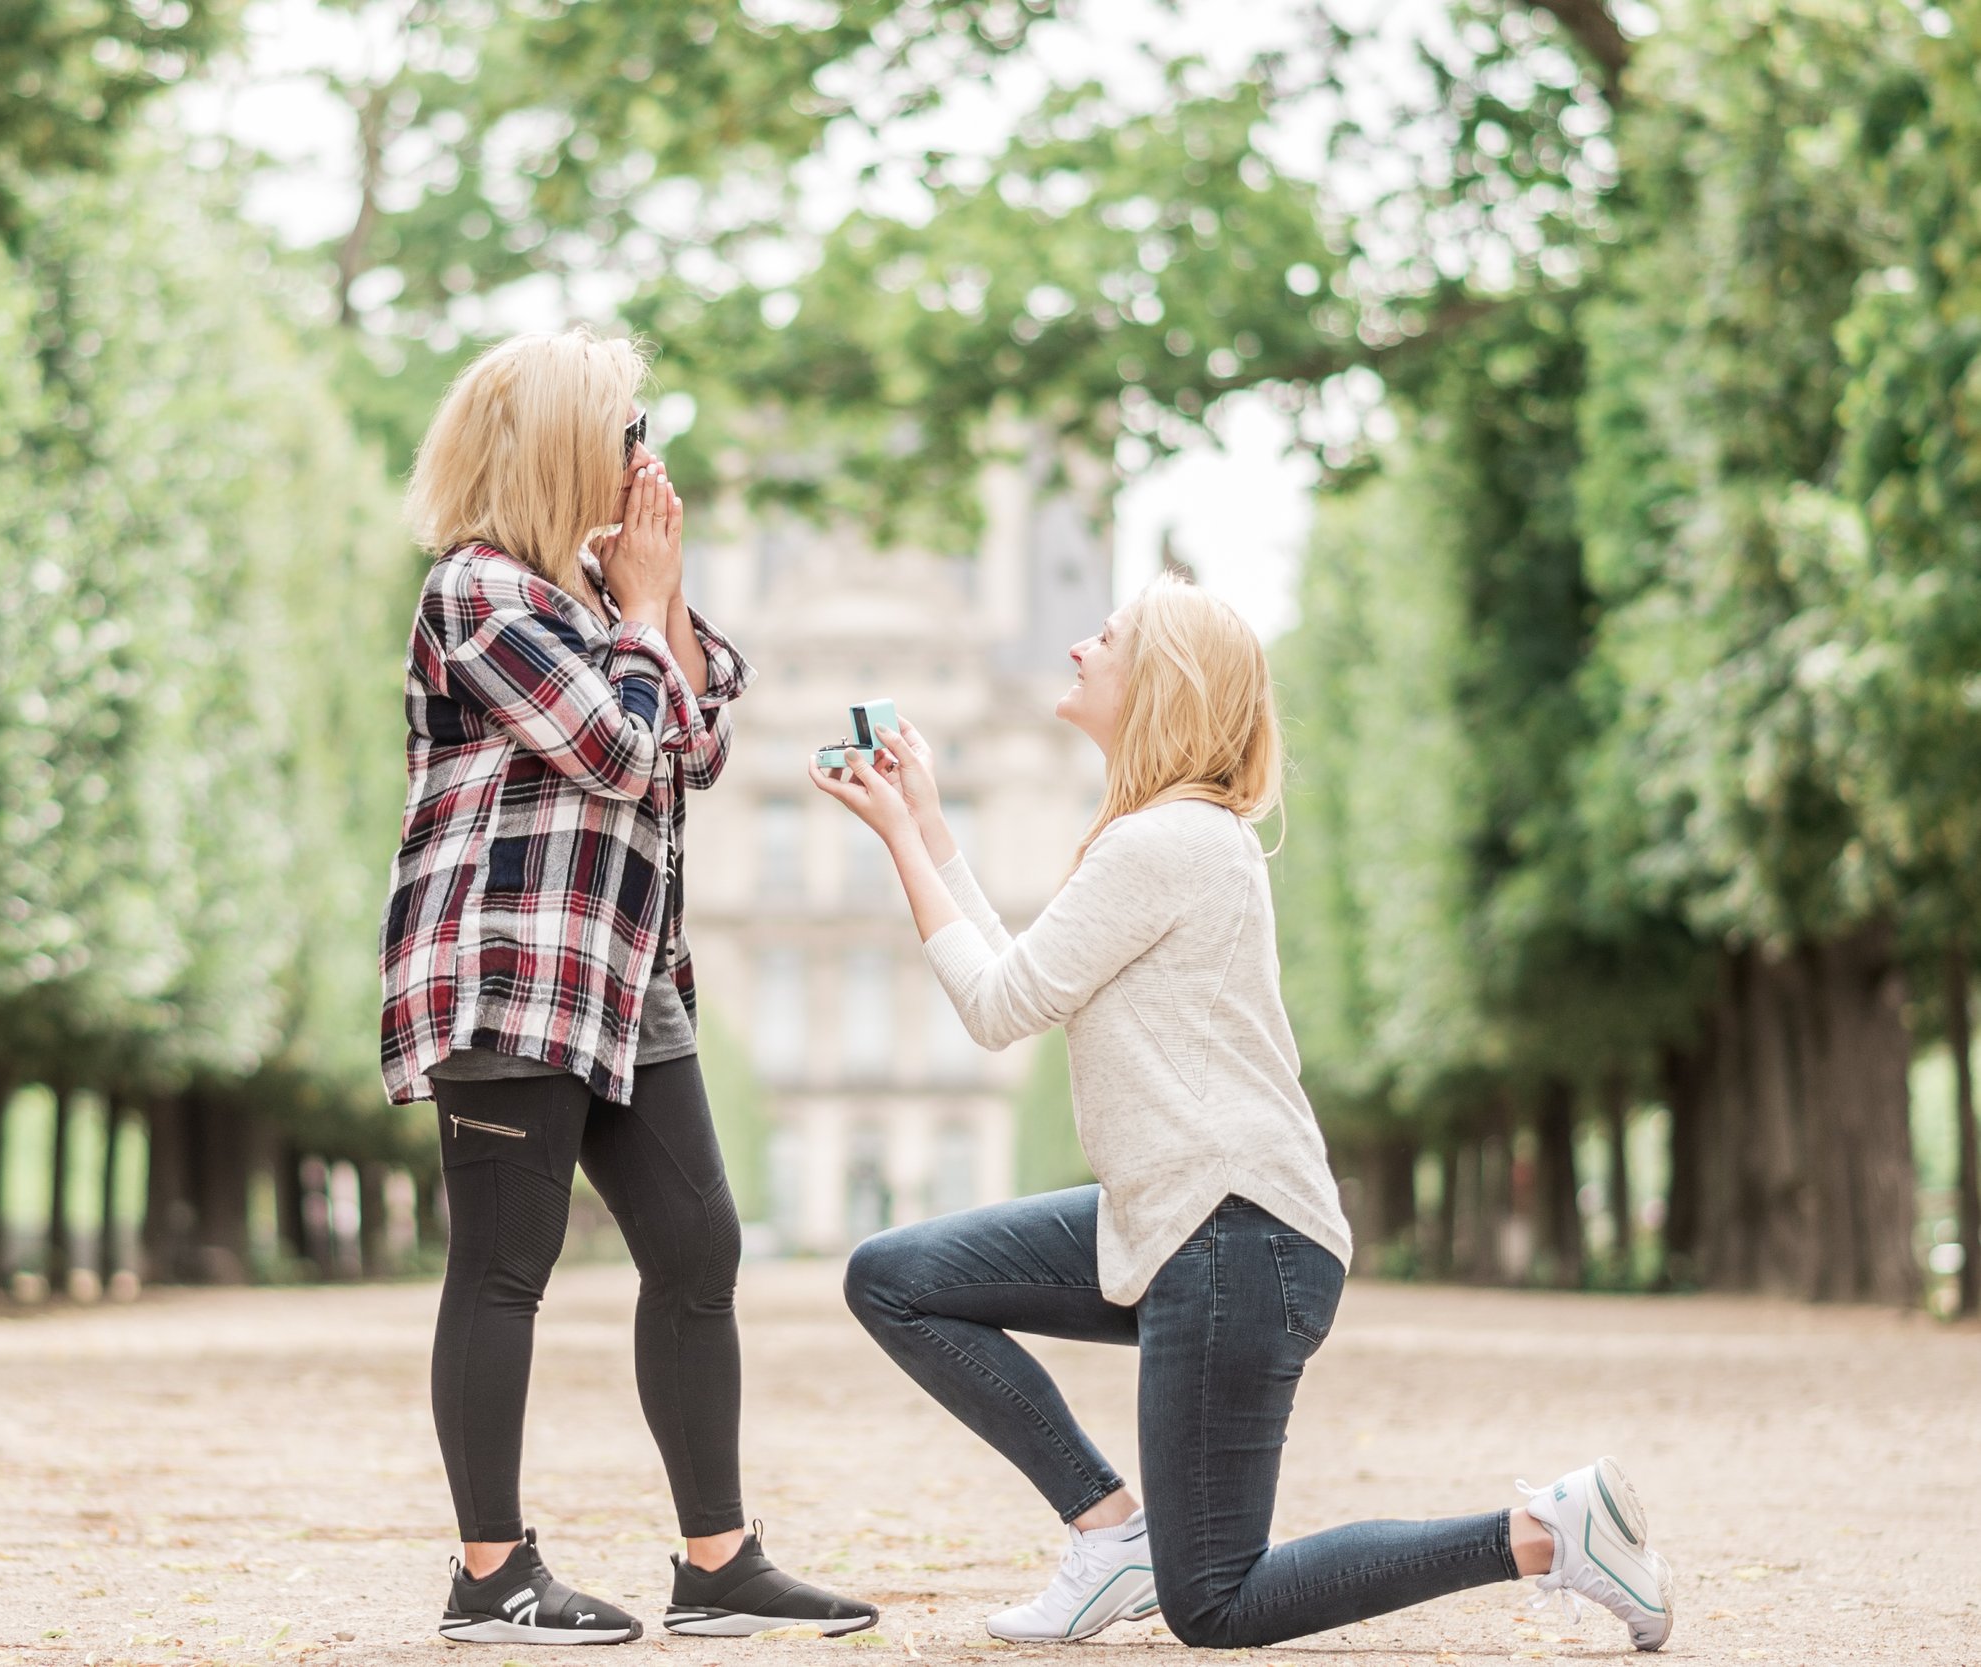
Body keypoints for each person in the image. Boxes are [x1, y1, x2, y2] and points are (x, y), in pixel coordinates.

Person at [811, 574, 1673, 1652]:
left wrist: (898, 837)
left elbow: (998, 1006)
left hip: (1234, 1235)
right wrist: (930, 822)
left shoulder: (1164, 841)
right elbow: (1029, 974)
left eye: (1106, 637)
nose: (1079, 646)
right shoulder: (1164, 837)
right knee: (898, 1276)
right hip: (1181, 1217)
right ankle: (1108, 1529)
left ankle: (1550, 1531)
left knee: (1218, 1599)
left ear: (1157, 682)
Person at [381, 328, 878, 1646]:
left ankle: (717, 1560)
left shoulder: (596, 601)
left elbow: (694, 744)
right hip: (510, 970)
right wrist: (648, 618)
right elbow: (613, 745)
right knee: (505, 1263)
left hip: (623, 975)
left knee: (699, 1244)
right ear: (560, 449)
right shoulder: (479, 590)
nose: (648, 459)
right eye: (627, 433)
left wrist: (655, 601)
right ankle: (491, 1572)